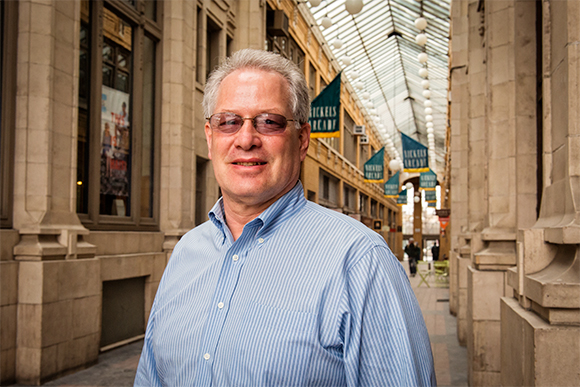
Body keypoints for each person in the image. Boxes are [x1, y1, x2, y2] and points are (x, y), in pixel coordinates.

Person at [134, 49, 435, 386]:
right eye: (229, 122)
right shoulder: (186, 252)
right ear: (210, 137)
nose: (246, 140)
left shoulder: (360, 261)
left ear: (302, 140)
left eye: (269, 122)